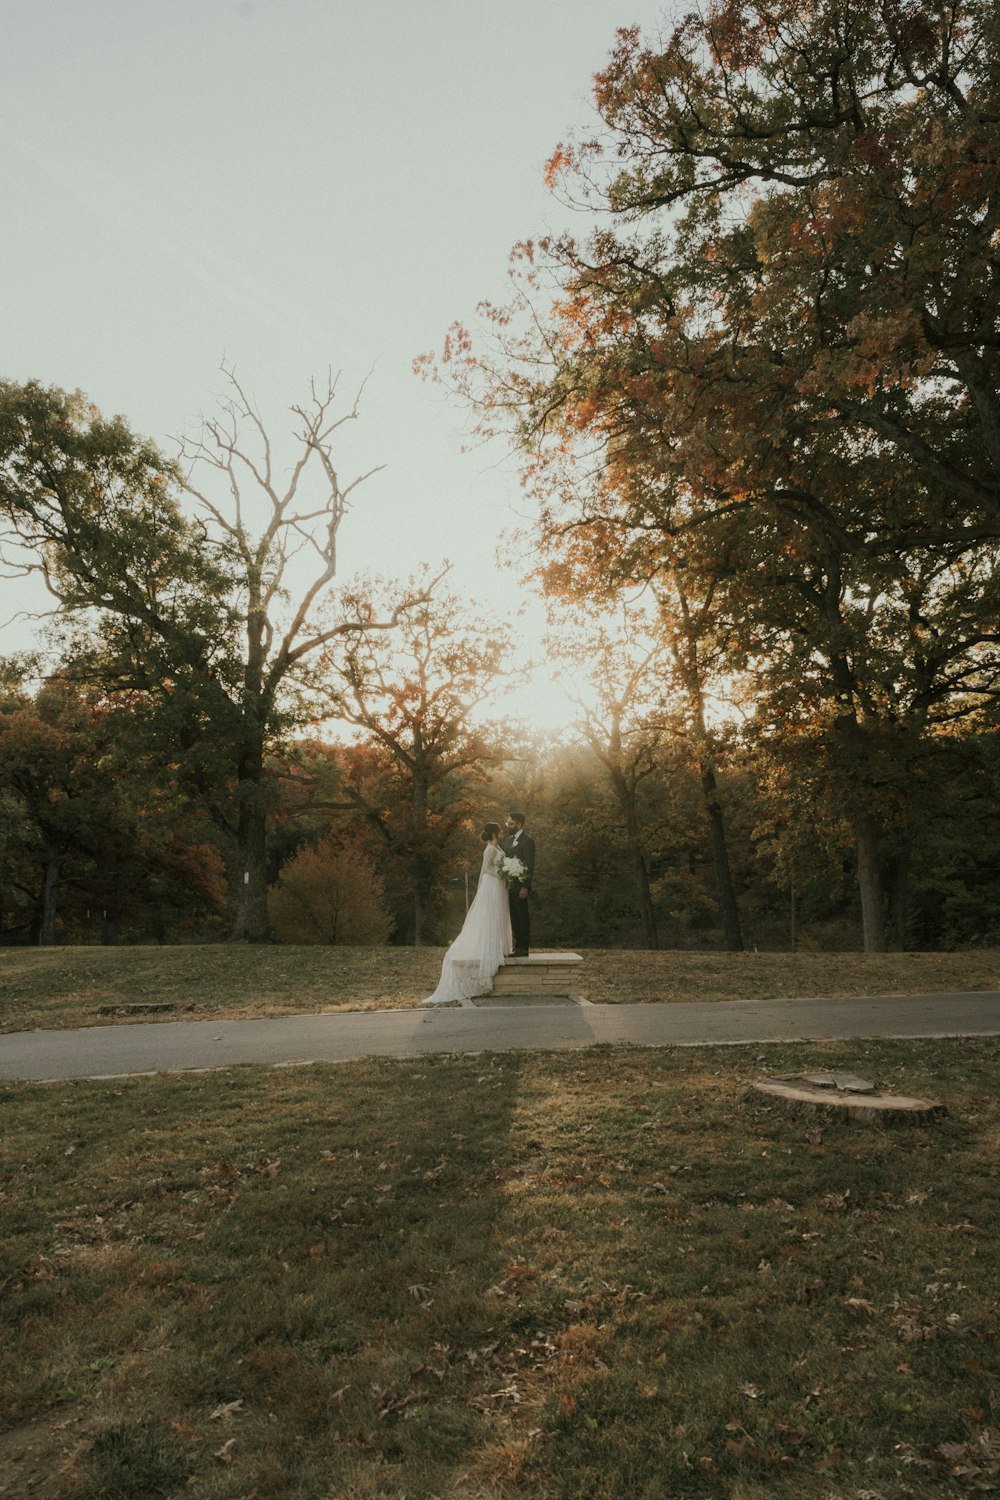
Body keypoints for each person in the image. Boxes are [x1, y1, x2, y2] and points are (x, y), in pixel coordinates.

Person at [422, 823, 512, 1005]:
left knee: (498, 916)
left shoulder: (498, 847)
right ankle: (488, 949)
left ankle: (499, 947)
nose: (502, 832)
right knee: (489, 916)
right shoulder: (489, 850)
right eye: (500, 830)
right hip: (492, 885)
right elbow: (486, 869)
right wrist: (502, 872)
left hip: (498, 886)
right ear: (494, 833)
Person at [502, 810, 535, 957]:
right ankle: (517, 946)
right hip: (508, 886)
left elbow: (529, 865)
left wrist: (525, 886)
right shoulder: (508, 841)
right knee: (513, 916)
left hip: (520, 886)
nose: (508, 825)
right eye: (507, 823)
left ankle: (524, 947)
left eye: (511, 823)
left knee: (522, 916)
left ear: (519, 824)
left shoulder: (528, 841)